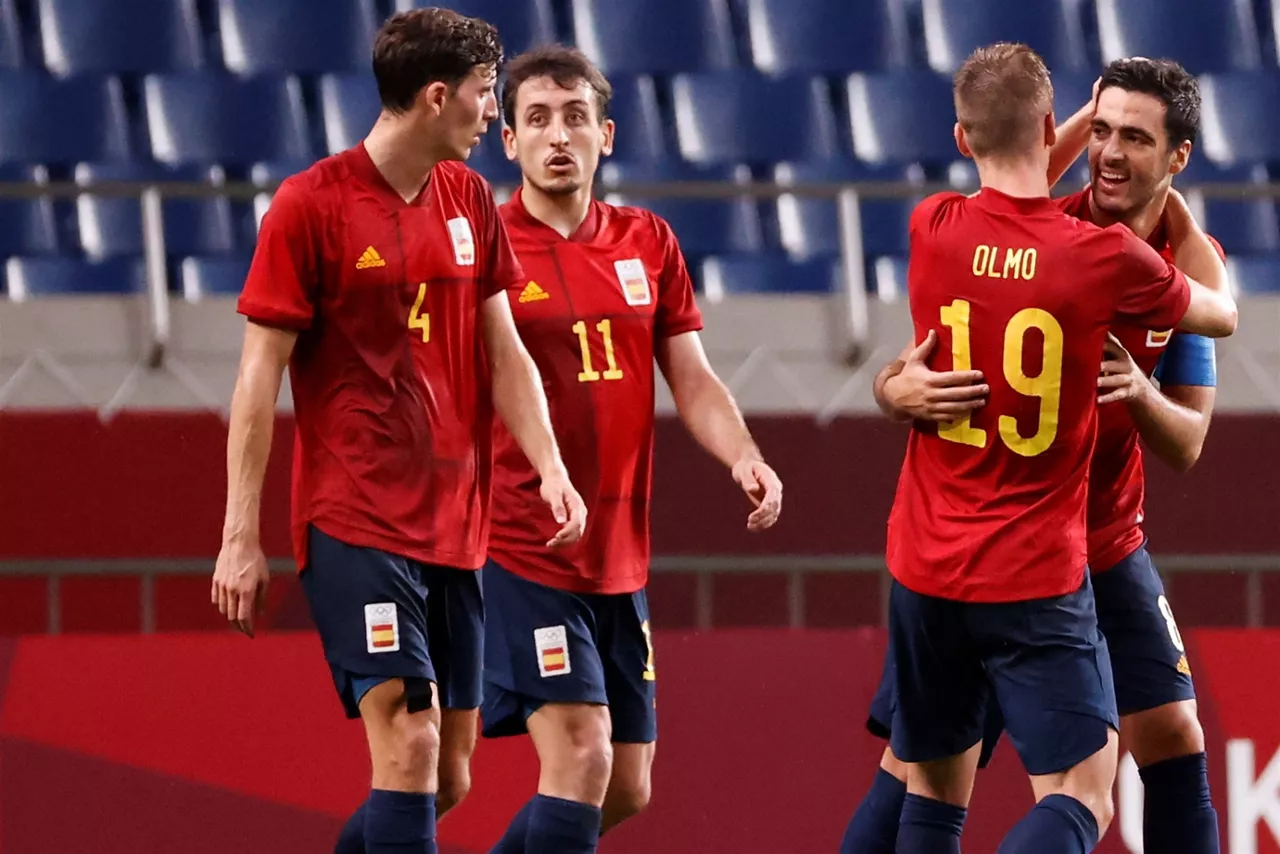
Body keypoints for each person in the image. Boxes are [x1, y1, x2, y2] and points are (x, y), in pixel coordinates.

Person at [209, 10, 587, 854]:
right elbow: (256, 380)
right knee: (409, 747)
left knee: (449, 776)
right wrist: (240, 536)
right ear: (436, 97)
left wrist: (551, 467)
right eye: (488, 97)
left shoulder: (466, 200)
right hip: (356, 521)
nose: (495, 114)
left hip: (457, 526)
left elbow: (506, 353)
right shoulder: (310, 207)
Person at [843, 57, 1229, 854]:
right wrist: (889, 391)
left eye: (1136, 138)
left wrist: (1142, 394)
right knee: (921, 769)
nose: (1112, 154)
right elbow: (1007, 174)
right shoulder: (1070, 232)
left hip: (1100, 540)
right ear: (1070, 135)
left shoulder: (1189, 260)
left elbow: (1188, 442)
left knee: (1174, 732)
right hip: (1025, 556)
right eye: (1104, 131)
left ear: (1178, 157)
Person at [476, 45, 784, 854]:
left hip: (621, 556)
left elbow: (693, 378)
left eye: (575, 118)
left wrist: (743, 456)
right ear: (507, 141)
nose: (558, 137)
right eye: (536, 119)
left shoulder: (647, 242)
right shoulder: (484, 252)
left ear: (605, 135)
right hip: (523, 544)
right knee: (578, 754)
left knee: (627, 785)